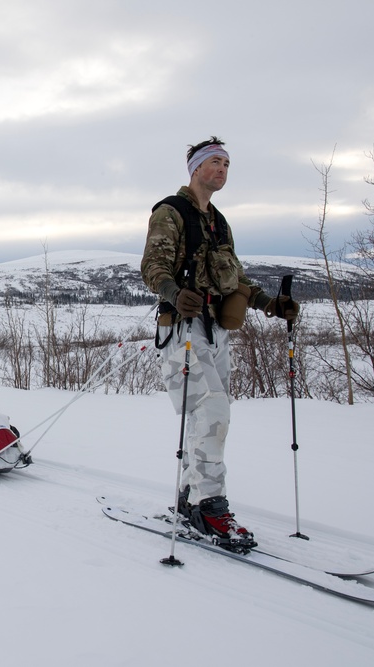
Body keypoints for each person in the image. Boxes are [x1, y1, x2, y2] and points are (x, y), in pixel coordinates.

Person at [141, 137, 298, 551]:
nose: (222, 169)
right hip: (184, 329)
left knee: (208, 416)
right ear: (195, 168)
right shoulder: (170, 212)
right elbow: (152, 267)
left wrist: (269, 304)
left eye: (227, 163)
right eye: (214, 162)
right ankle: (211, 507)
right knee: (211, 412)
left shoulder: (220, 221)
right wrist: (175, 293)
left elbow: (235, 278)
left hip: (216, 329)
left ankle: (190, 500)